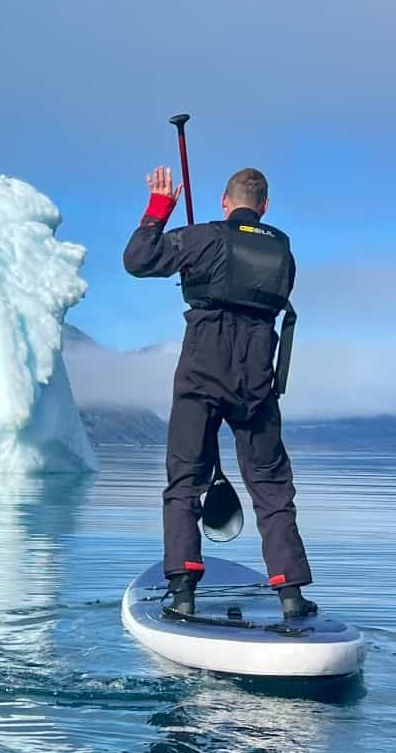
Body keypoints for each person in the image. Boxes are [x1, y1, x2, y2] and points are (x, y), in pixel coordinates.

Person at [123, 165, 317, 619]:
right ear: (265, 206)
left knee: (185, 479)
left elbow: (138, 260)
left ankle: (183, 591)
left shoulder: (205, 237)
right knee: (271, 486)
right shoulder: (283, 253)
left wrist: (160, 210)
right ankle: (291, 593)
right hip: (256, 376)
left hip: (202, 369)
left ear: (225, 202)